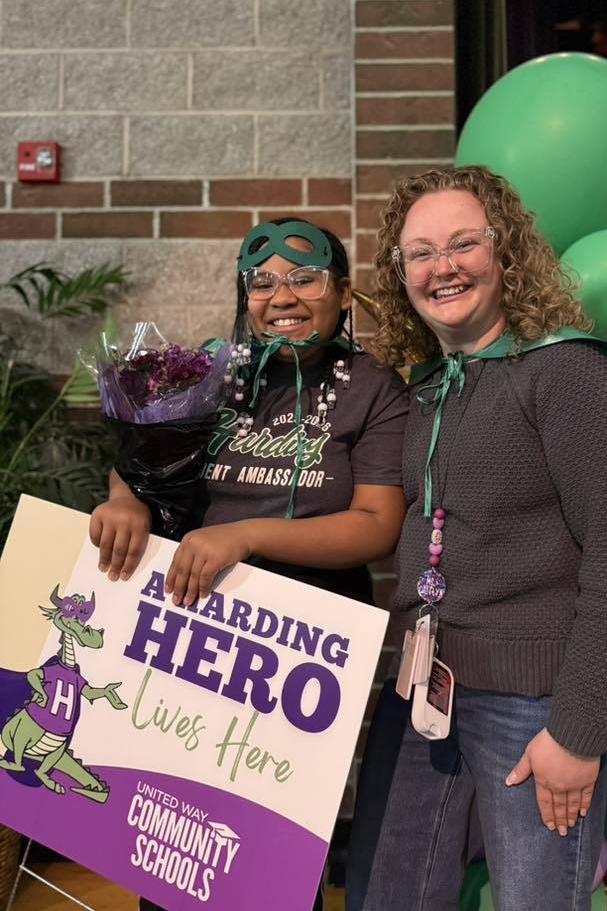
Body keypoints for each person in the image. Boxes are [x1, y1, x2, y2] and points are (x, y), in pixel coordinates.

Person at [345, 166, 607, 911]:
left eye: (463, 243)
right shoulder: (433, 386)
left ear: (505, 251)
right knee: (390, 895)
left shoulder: (571, 376)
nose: (442, 267)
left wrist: (578, 734)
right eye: (420, 253)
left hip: (534, 705)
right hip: (424, 691)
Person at [89, 218, 409, 910]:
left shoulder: (373, 387)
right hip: (188, 641)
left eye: (304, 278)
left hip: (299, 660)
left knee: (272, 859)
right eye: (261, 282)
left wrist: (246, 536)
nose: (281, 296)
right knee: (173, 851)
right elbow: (142, 465)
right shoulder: (211, 369)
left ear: (342, 291)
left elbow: (377, 526)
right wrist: (125, 500)